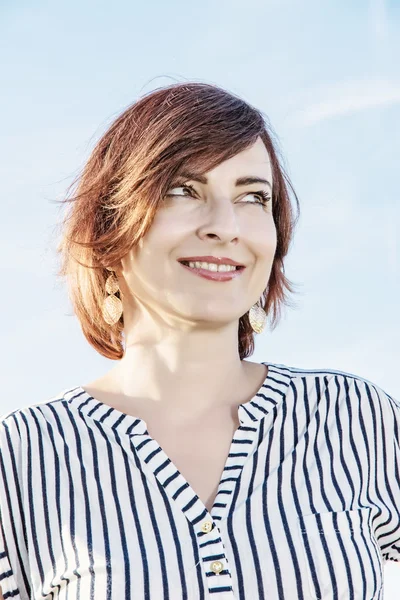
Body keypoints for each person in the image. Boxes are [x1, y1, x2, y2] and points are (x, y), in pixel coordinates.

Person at [0, 81, 398, 600]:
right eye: (183, 190)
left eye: (253, 196)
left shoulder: (357, 418)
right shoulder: (22, 456)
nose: (225, 226)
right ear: (110, 225)